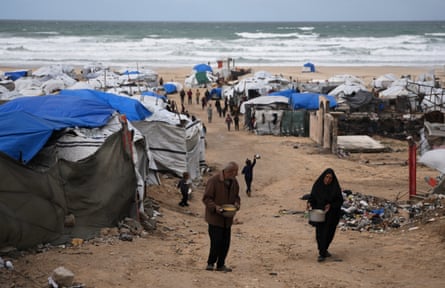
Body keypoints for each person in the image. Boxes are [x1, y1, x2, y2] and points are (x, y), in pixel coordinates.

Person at [202, 161, 240, 272]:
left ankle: (221, 264)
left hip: (227, 219)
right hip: (215, 219)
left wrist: (237, 204)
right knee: (216, 242)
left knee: (225, 243)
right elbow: (206, 198)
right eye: (235, 172)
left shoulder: (234, 182)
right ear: (229, 172)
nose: (236, 175)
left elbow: (237, 197)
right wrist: (215, 207)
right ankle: (210, 263)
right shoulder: (214, 181)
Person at [307, 168, 344, 262]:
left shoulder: (335, 188)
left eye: (330, 178)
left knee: (329, 234)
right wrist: (309, 203)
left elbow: (339, 201)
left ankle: (324, 249)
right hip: (319, 214)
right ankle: (322, 252)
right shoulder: (318, 186)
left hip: (332, 215)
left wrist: (330, 205)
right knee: (320, 234)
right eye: (326, 177)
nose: (328, 180)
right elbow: (312, 197)